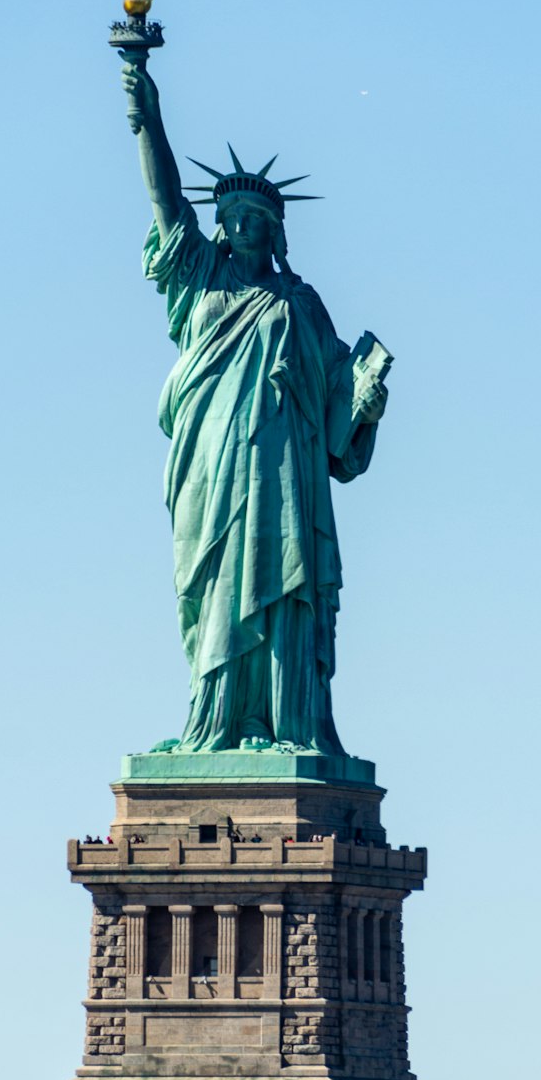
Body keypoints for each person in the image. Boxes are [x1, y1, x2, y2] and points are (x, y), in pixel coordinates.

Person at [121, 56, 389, 754]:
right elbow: (165, 197)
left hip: (283, 471)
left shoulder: (301, 304)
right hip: (211, 465)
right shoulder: (200, 278)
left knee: (284, 585)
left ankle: (291, 725)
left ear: (275, 230)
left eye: (253, 218)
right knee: (214, 589)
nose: (239, 226)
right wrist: (141, 99)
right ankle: (214, 724)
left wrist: (365, 400)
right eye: (229, 215)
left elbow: (338, 415)